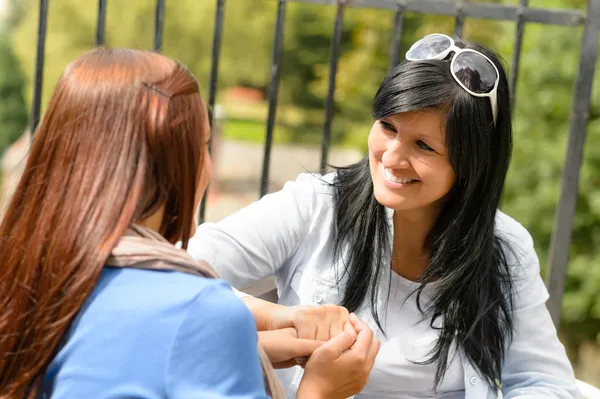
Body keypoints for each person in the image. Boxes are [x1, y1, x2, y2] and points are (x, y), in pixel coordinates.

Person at [188, 34, 583, 398]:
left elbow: (543, 380)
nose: (392, 157)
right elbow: (182, 271)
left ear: (470, 165)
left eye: (424, 146)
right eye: (387, 126)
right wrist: (282, 317)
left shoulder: (504, 246)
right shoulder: (317, 205)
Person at [0, 48, 379, 399]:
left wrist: (246, 349)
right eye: (203, 146)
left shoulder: (27, 272)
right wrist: (319, 390)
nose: (207, 167)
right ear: (174, 167)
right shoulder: (198, 309)